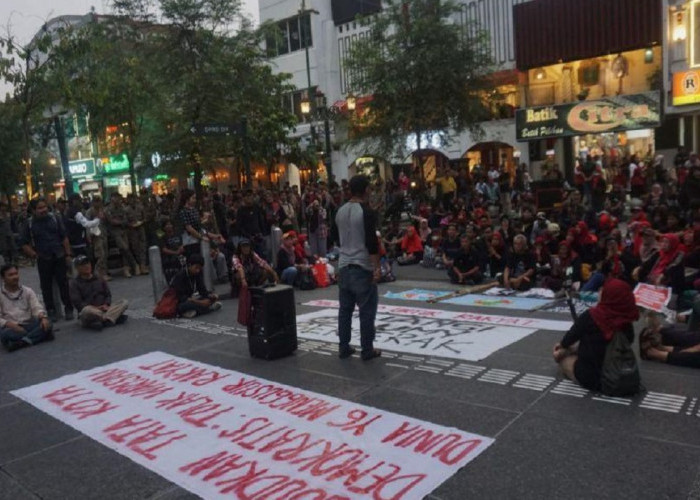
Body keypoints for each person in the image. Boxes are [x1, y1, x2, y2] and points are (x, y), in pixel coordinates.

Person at [553, 279, 639, 391]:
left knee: (562, 357)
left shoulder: (591, 316)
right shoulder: (627, 320)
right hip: (622, 372)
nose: (600, 291)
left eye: (604, 290)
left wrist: (562, 349)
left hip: (594, 377)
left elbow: (567, 340)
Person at [335, 174, 381, 361]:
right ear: (365, 190)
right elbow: (372, 242)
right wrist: (376, 267)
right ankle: (367, 349)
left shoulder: (340, 211)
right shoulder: (366, 212)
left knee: (345, 310)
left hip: (344, 264)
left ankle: (344, 346)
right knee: (366, 311)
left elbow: (335, 238)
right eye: (369, 188)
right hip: (362, 265)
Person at [21, 198, 74, 321]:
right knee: (46, 286)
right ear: (33, 210)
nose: (43, 210)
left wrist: (68, 254)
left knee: (64, 283)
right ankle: (50, 311)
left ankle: (68, 308)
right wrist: (34, 254)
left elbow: (64, 237)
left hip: (59, 255)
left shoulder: (55, 218)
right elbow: (23, 243)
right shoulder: (29, 224)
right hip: (43, 258)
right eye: (39, 208)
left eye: (44, 207)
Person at [0, 264, 53, 352]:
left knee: (48, 323)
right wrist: (12, 325)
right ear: (3, 278)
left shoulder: (27, 291)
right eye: (11, 275)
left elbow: (36, 307)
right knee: (5, 334)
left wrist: (43, 317)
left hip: (28, 324)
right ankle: (39, 336)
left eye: (16, 274)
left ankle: (21, 343)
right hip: (11, 327)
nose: (15, 277)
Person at [69, 255, 129, 330]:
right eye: (83, 265)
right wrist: (96, 308)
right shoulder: (74, 283)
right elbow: (78, 303)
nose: (87, 266)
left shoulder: (99, 278)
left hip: (104, 308)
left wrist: (106, 304)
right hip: (91, 310)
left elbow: (108, 294)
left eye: (88, 263)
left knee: (123, 302)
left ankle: (102, 320)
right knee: (86, 311)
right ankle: (111, 317)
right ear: (77, 268)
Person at [170, 253, 222, 318]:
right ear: (190, 265)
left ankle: (195, 311)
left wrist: (211, 295)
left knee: (210, 299)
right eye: (196, 267)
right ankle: (208, 308)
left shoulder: (197, 274)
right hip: (180, 302)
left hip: (192, 300)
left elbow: (202, 291)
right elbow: (182, 298)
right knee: (185, 306)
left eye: (200, 268)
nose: (198, 270)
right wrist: (201, 302)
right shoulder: (180, 276)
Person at [105, 193, 140, 277]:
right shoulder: (107, 209)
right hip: (114, 232)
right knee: (124, 248)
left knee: (124, 250)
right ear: (112, 199)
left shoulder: (122, 208)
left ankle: (126, 268)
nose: (118, 200)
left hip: (123, 231)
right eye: (116, 198)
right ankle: (135, 264)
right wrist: (120, 222)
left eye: (118, 198)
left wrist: (120, 222)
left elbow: (125, 219)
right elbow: (111, 221)